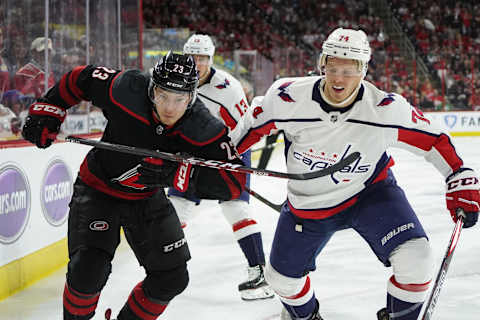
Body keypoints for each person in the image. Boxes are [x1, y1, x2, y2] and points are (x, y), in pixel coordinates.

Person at [230, 28, 480, 320]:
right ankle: (307, 316)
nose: (338, 78)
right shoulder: (287, 98)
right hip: (309, 205)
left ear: (363, 70)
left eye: (349, 70)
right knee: (281, 280)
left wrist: (458, 174)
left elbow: (434, 140)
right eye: (333, 67)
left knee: (417, 258)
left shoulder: (385, 109)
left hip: (369, 194)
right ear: (322, 64)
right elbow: (243, 133)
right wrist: (221, 155)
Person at [21, 51, 247, 320]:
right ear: (151, 88)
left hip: (146, 198)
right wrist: (49, 108)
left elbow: (234, 184)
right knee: (88, 271)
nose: (169, 108)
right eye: (163, 95)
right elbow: (81, 77)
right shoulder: (126, 88)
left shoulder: (203, 127)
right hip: (98, 189)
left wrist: (179, 174)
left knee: (172, 278)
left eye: (179, 99)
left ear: (192, 96)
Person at [167, 34, 273, 300]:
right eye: (192, 57)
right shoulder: (173, 79)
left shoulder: (228, 88)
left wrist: (220, 156)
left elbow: (243, 130)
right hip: (190, 152)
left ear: (210, 59)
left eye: (202, 58)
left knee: (235, 207)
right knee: (176, 208)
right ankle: (164, 266)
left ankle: (259, 273)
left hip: (229, 150)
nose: (197, 63)